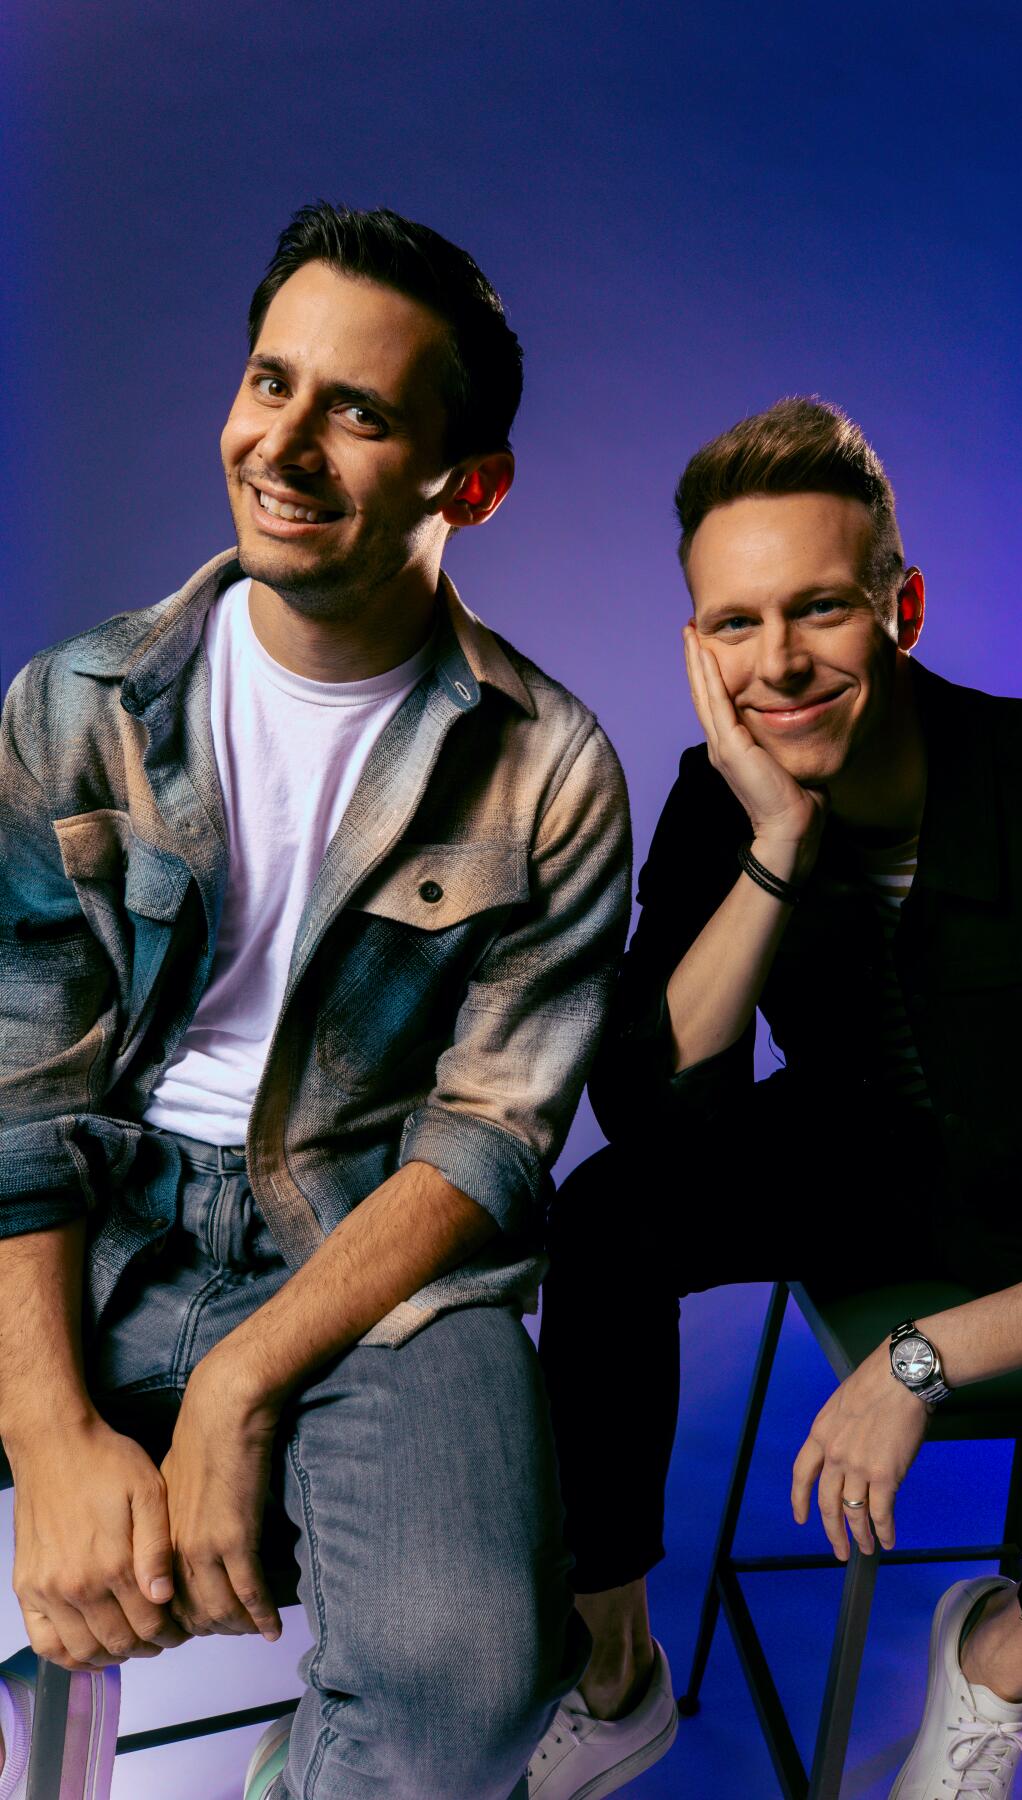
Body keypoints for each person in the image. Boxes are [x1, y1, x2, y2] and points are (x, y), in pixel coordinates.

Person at [0, 202, 631, 1800]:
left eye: (357, 412)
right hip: (91, 1215)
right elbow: (19, 1086)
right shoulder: (76, 708)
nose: (283, 445)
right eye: (270, 383)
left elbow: (488, 1140)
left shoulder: (550, 769)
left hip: (368, 1247)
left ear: (463, 483)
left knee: (474, 1697)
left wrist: (241, 1375)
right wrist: (48, 1434)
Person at [527, 397, 1022, 1800]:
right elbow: (645, 1112)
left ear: (900, 608)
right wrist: (777, 846)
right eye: (735, 623)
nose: (778, 663)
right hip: (858, 1157)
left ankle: (1001, 1652)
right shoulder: (719, 801)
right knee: (603, 1221)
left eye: (820, 609)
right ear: (700, 643)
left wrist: (922, 1360)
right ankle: (613, 1669)